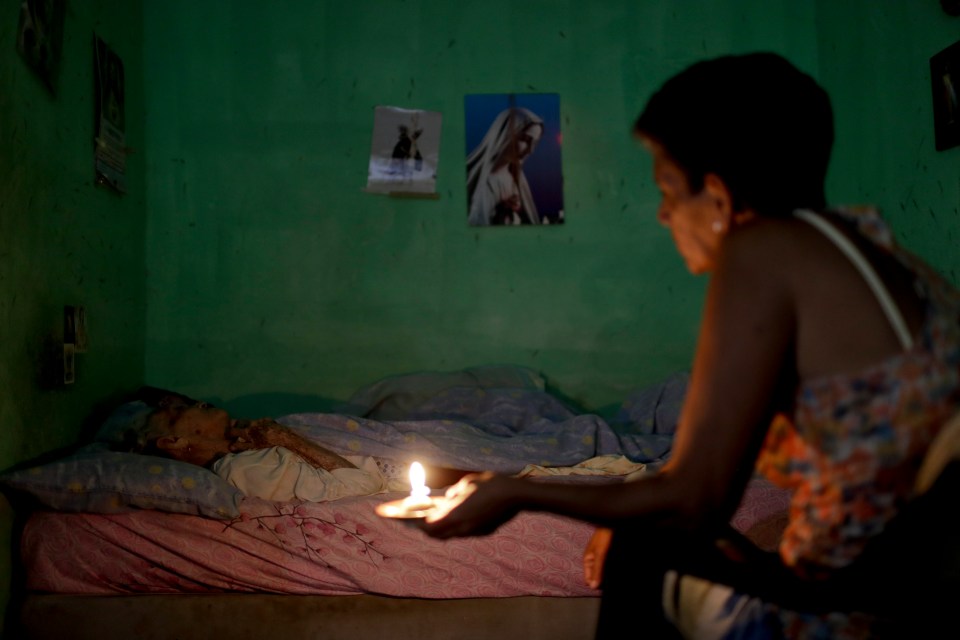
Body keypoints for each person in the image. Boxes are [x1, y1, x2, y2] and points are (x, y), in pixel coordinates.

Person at [421, 51, 960, 638]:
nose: (662, 215)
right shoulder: (885, 258)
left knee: (642, 547)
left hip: (845, 612)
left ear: (721, 197)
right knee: (649, 529)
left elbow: (693, 498)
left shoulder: (759, 251)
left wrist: (513, 491)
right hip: (909, 588)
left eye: (670, 191)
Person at [128, 391, 470, 503]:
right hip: (403, 482)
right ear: (174, 441)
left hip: (408, 467)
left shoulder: (245, 449)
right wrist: (286, 439)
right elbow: (359, 486)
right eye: (172, 411)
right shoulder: (239, 468)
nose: (190, 402)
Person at [466, 106, 545, 225]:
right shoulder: (479, 180)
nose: (530, 150)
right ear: (505, 135)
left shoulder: (515, 177)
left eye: (534, 142)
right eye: (525, 139)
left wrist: (517, 209)